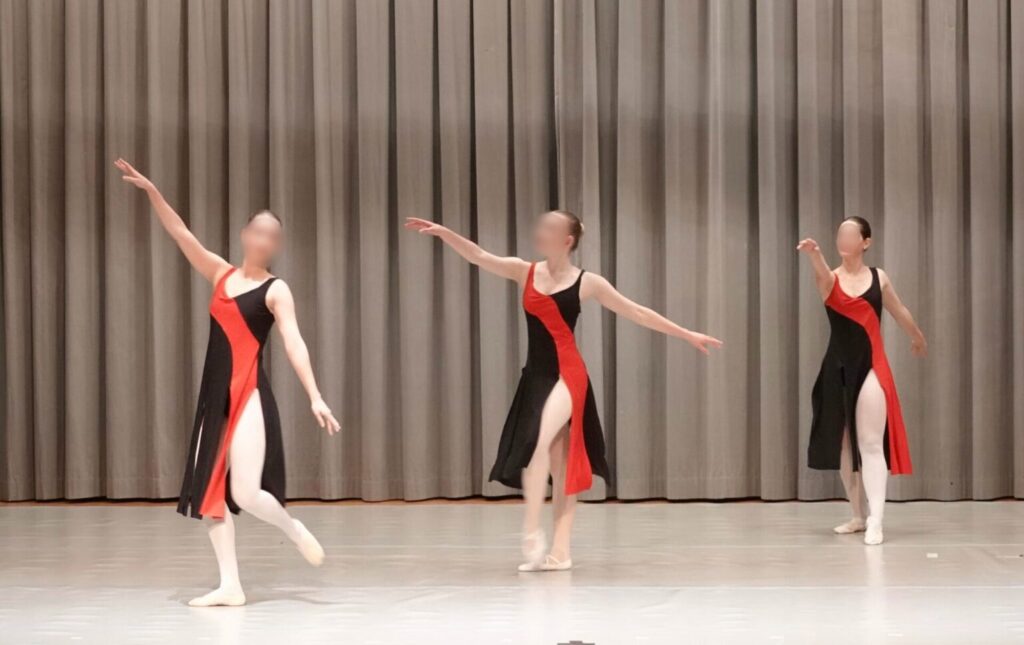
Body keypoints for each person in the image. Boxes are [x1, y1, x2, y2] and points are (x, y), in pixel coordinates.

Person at [405, 211, 722, 571]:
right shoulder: (524, 271)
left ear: (568, 240)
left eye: (550, 228)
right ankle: (560, 552)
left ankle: (530, 532)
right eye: (541, 225)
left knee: (539, 443)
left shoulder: (588, 283)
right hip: (536, 377)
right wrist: (445, 233)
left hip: (569, 375)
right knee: (558, 464)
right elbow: (478, 256)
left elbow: (637, 312)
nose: (541, 231)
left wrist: (687, 334)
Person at [115, 158, 341, 606]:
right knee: (209, 491)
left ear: (276, 244)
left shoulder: (276, 290)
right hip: (213, 396)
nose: (263, 239)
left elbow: (294, 342)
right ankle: (230, 586)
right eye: (257, 231)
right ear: (244, 234)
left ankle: (293, 528)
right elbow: (181, 234)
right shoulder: (220, 273)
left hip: (248, 394)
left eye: (271, 235)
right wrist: (153, 191)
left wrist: (315, 396)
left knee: (247, 493)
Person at [798, 217, 927, 545]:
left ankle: (876, 520)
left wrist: (917, 336)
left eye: (851, 234)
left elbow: (899, 310)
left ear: (865, 242)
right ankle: (857, 514)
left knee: (870, 442)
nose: (844, 238)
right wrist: (815, 255)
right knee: (845, 446)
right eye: (840, 233)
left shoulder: (879, 278)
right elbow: (822, 274)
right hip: (837, 368)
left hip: (871, 366)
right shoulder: (830, 279)